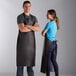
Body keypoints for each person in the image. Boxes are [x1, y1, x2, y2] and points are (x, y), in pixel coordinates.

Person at [16, 1, 40, 76]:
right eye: (26, 6)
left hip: (31, 45)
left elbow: (38, 29)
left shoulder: (34, 17)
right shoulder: (20, 17)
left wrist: (28, 26)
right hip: (22, 45)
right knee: (20, 66)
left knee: (30, 67)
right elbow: (22, 29)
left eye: (29, 6)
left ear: (30, 7)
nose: (27, 8)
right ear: (23, 7)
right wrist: (33, 27)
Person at [40, 9, 60, 76]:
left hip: (49, 44)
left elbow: (43, 33)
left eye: (48, 14)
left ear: (52, 15)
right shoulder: (55, 23)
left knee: (48, 61)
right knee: (54, 61)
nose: (46, 15)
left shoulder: (49, 23)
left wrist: (44, 33)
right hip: (55, 43)